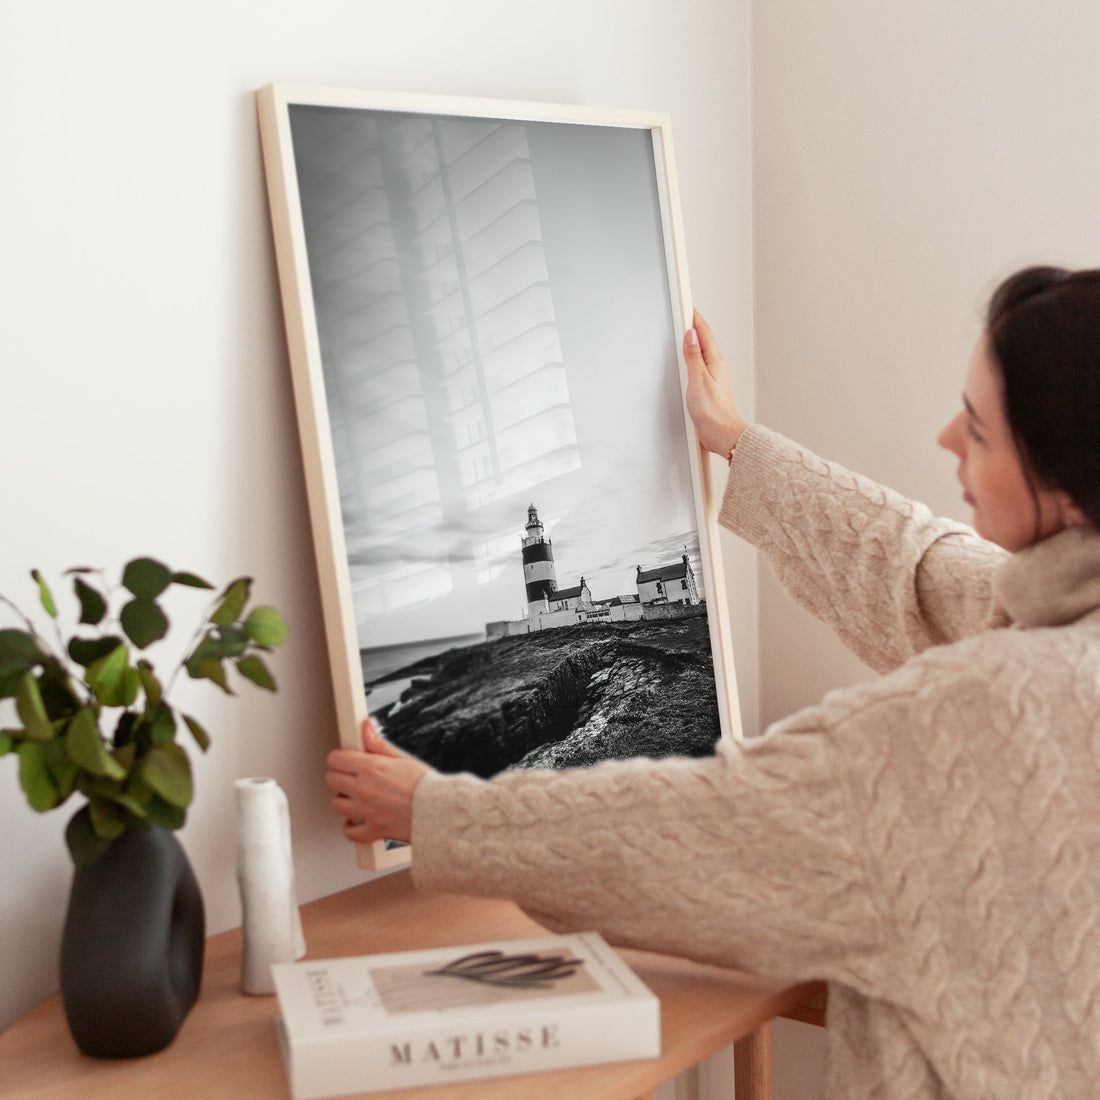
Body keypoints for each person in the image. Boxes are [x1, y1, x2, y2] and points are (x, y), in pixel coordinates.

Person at [326, 266, 1100, 1099]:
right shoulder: (1059, 618)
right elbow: (915, 567)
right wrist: (735, 440)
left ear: (1064, 487)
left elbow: (708, 827)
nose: (947, 437)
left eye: (979, 431)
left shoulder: (981, 714)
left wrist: (435, 812)